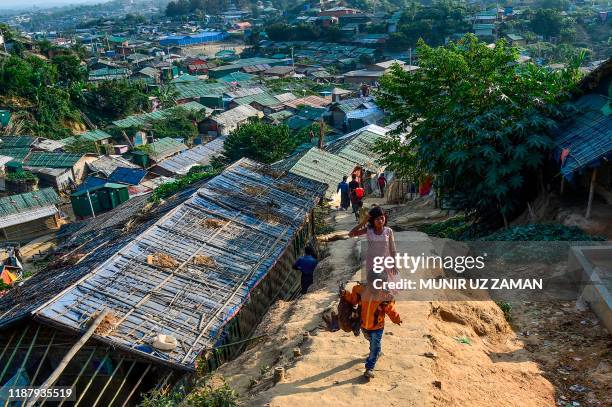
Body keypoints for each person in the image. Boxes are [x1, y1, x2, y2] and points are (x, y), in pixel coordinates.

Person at [340, 271, 402, 378]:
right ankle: (377, 351)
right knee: (371, 341)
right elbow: (353, 300)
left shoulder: (385, 296)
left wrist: (396, 319)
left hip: (377, 326)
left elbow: (390, 310)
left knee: (374, 346)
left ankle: (369, 368)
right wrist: (345, 294)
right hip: (364, 325)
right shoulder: (361, 291)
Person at [349, 206, 400, 291]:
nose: (380, 221)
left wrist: (394, 264)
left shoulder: (388, 231)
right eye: (377, 219)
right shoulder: (369, 230)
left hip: (386, 262)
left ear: (385, 217)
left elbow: (392, 249)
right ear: (372, 221)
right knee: (374, 286)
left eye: (381, 218)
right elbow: (351, 234)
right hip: (372, 263)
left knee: (386, 287)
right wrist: (364, 222)